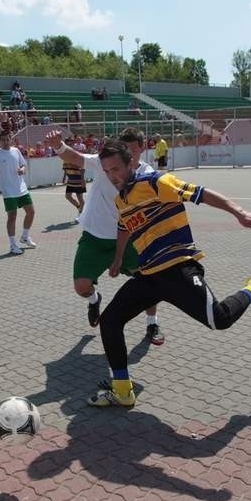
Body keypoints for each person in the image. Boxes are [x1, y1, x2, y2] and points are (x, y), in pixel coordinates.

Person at [87, 140, 251, 407]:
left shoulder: (156, 182)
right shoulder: (121, 199)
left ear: (131, 163)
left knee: (219, 320)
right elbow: (125, 227)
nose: (113, 176)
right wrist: (117, 260)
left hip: (177, 268)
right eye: (107, 171)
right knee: (110, 321)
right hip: (149, 276)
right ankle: (123, 391)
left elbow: (201, 193)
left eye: (116, 168)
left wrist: (239, 212)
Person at [46, 127, 165, 344]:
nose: (125, 152)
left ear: (140, 149)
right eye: (123, 146)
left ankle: (152, 323)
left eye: (131, 148)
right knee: (81, 287)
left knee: (151, 280)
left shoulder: (146, 174)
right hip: (96, 237)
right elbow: (75, 157)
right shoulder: (105, 162)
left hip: (130, 239)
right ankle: (94, 299)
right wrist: (57, 145)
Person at [0, 132, 36, 255]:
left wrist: (22, 170)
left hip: (21, 188)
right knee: (12, 217)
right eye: (2, 140)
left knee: (31, 212)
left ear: (11, 140)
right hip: (8, 191)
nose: (5, 142)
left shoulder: (16, 151)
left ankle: (25, 236)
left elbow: (23, 164)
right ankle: (13, 245)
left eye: (7, 139)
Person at [61, 139, 86, 217]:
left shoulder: (76, 155)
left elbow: (82, 168)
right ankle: (80, 208)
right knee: (68, 196)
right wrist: (64, 177)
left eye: (70, 144)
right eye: (67, 145)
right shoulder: (64, 156)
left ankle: (84, 213)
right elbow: (65, 168)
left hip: (78, 179)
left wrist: (82, 179)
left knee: (80, 198)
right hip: (71, 180)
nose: (68, 146)